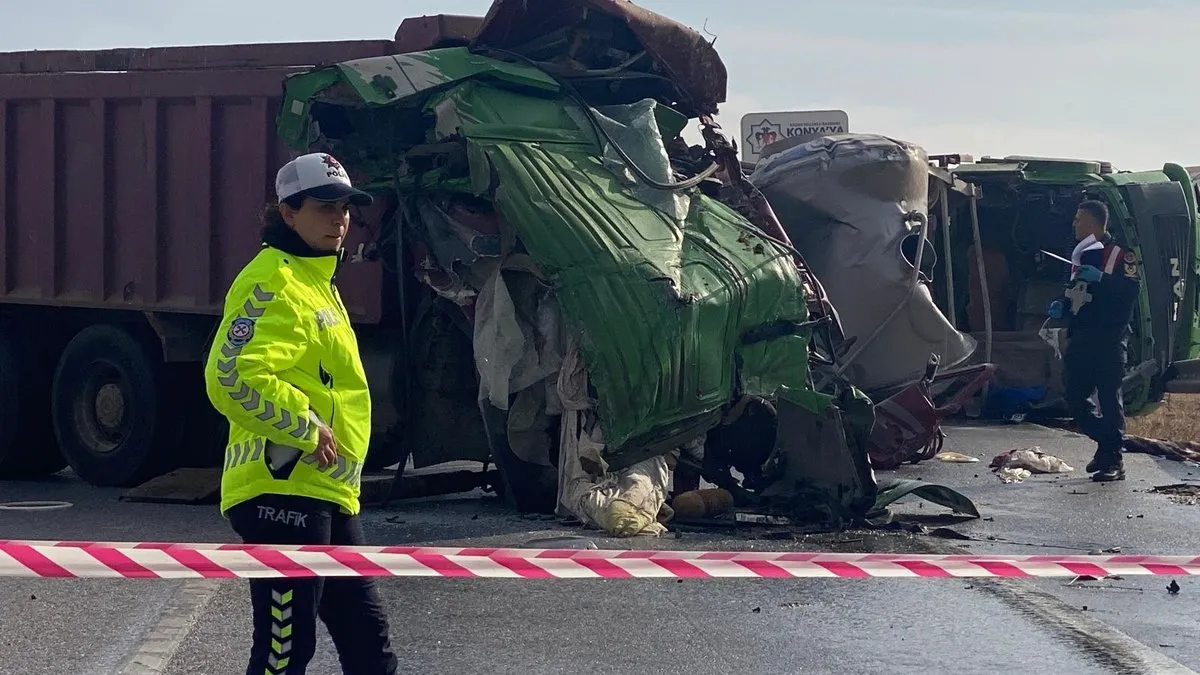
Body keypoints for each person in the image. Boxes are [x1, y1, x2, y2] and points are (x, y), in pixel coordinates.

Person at [204, 152, 399, 674]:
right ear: (287, 213)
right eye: (324, 207)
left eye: (346, 209)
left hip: (325, 490)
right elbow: (231, 376)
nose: (340, 220)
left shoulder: (318, 283)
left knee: (370, 649)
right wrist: (304, 426)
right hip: (281, 488)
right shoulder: (273, 279)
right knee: (286, 650)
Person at [1047, 199, 1140, 482]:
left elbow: (1129, 293)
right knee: (1074, 397)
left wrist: (1103, 278)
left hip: (1109, 341)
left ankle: (1113, 461)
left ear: (1093, 223)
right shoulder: (1081, 255)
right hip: (1082, 337)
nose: (1074, 224)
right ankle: (1108, 445)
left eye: (1079, 219)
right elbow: (1076, 291)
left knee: (1110, 400)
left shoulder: (1121, 255)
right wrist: (1062, 305)